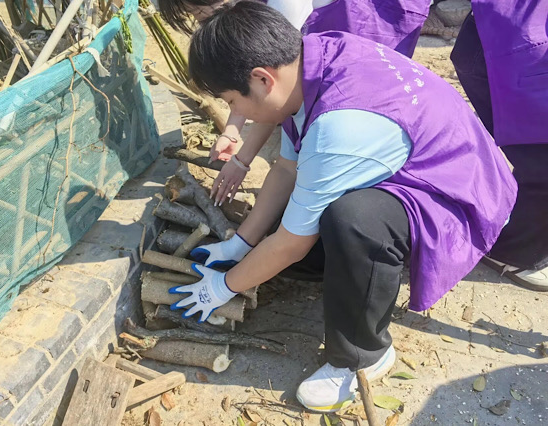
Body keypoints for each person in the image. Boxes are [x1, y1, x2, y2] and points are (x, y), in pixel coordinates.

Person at [168, 1, 517, 412]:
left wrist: (222, 287)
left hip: (453, 195)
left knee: (353, 221)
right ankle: (343, 270)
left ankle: (362, 356)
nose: (237, 114)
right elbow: (287, 167)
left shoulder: (338, 127)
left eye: (232, 101)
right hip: (417, 158)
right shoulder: (310, 59)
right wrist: (241, 245)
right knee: (285, 234)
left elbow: (291, 243)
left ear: (262, 79)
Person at [157, 0, 431, 205]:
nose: (200, 20)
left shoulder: (283, 7)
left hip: (372, 19)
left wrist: (242, 161)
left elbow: (273, 98)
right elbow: (254, 87)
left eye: (197, 12)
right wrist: (231, 131)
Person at [450, 0, 548, 290]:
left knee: (535, 157)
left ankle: (512, 224)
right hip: (510, 50)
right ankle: (513, 253)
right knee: (541, 162)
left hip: (506, 37)